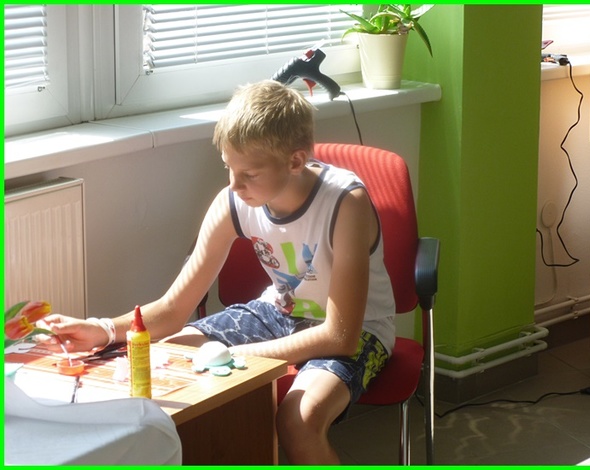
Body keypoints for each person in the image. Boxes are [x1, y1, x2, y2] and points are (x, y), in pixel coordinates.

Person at [41, 80, 396, 464]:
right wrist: (101, 329)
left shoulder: (346, 204)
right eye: (229, 168)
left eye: (250, 174)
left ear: (295, 161)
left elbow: (340, 336)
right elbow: (173, 310)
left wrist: (234, 355)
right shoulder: (233, 202)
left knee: (299, 421)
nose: (234, 185)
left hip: (359, 329)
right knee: (170, 353)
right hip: (279, 313)